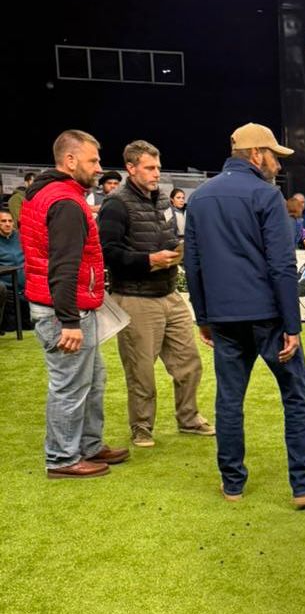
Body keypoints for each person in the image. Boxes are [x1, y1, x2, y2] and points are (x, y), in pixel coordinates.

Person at [183, 122, 305, 508]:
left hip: (223, 318)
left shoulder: (199, 198)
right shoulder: (266, 197)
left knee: (229, 401)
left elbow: (193, 263)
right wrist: (292, 326)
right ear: (256, 155)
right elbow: (282, 266)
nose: (277, 166)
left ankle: (232, 484)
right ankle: (304, 485)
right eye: (273, 156)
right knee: (297, 398)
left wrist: (203, 317)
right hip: (268, 316)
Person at [20, 130, 129, 478]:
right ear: (70, 161)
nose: (99, 167)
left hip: (67, 306)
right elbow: (64, 268)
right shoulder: (65, 202)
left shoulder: (55, 195)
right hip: (65, 310)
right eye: (93, 160)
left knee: (93, 379)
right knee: (70, 385)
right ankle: (62, 459)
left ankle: (89, 445)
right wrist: (69, 321)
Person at [99, 140, 213, 448]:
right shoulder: (116, 203)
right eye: (150, 168)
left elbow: (165, 235)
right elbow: (107, 252)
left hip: (168, 292)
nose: (156, 173)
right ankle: (142, 428)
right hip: (135, 296)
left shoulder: (162, 199)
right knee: (141, 370)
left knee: (189, 363)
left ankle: (188, 418)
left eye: (158, 167)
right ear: (131, 168)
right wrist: (148, 260)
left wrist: (176, 252)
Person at [0, 209, 29, 333]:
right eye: (3, 221)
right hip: (7, 291)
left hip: (26, 289)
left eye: (10, 221)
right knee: (11, 328)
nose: (7, 224)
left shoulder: (21, 237)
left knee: (30, 327)